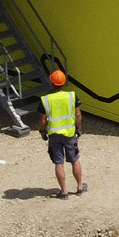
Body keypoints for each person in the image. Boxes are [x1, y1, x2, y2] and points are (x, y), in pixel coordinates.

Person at [42, 69, 86, 198]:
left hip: (54, 135)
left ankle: (64, 191)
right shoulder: (72, 96)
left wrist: (42, 132)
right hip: (70, 134)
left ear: (51, 83)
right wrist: (78, 128)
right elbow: (78, 114)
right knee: (75, 160)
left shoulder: (46, 100)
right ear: (64, 83)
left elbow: (43, 121)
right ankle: (79, 186)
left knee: (58, 163)